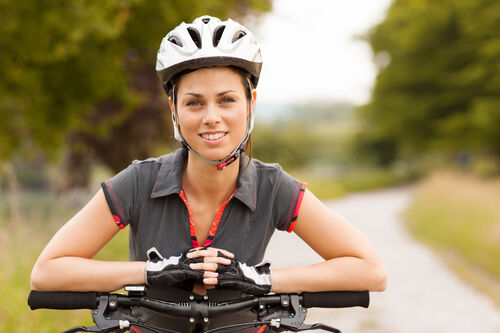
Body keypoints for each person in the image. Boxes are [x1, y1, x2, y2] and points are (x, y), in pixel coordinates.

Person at [30, 15, 386, 332]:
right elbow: (47, 272)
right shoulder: (139, 182)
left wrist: (260, 279)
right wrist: (151, 272)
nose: (211, 116)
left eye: (227, 100)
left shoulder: (273, 186)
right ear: (174, 109)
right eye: (194, 102)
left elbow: (370, 270)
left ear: (251, 104)